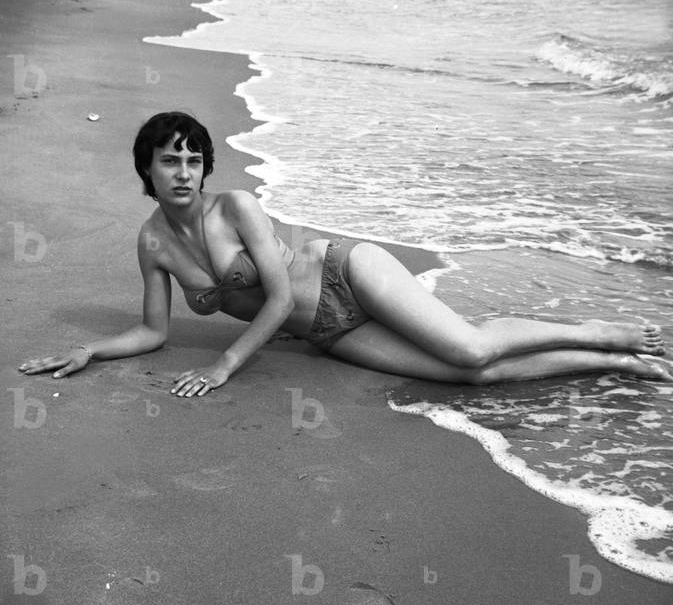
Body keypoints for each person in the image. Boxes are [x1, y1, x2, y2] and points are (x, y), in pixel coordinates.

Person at [19, 111, 670, 398]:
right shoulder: (153, 243)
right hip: (329, 331)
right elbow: (153, 330)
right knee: (474, 378)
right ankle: (604, 363)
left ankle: (594, 330)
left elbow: (275, 297)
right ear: (148, 169)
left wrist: (223, 365)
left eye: (194, 159)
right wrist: (92, 349)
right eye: (170, 161)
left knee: (470, 347)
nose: (184, 171)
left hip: (345, 272)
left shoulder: (236, 206)